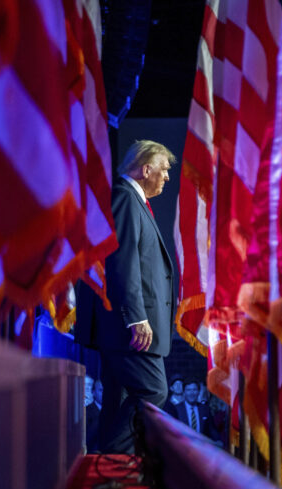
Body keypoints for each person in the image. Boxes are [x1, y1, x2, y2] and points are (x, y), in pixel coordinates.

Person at [75, 140, 177, 454]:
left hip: (125, 329)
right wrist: (137, 317)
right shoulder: (125, 198)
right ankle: (113, 456)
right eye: (164, 169)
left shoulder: (134, 202)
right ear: (146, 168)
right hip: (130, 328)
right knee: (153, 391)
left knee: (118, 398)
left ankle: (110, 473)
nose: (167, 177)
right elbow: (122, 263)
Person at [175, 378, 221, 443]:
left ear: (199, 392)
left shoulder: (205, 409)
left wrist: (218, 440)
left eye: (194, 390)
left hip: (201, 447)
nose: (192, 393)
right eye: (188, 390)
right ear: (184, 392)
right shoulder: (177, 409)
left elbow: (211, 429)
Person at [85, 379, 103, 452]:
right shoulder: (86, 411)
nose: (104, 393)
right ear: (93, 392)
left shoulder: (114, 410)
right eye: (101, 390)